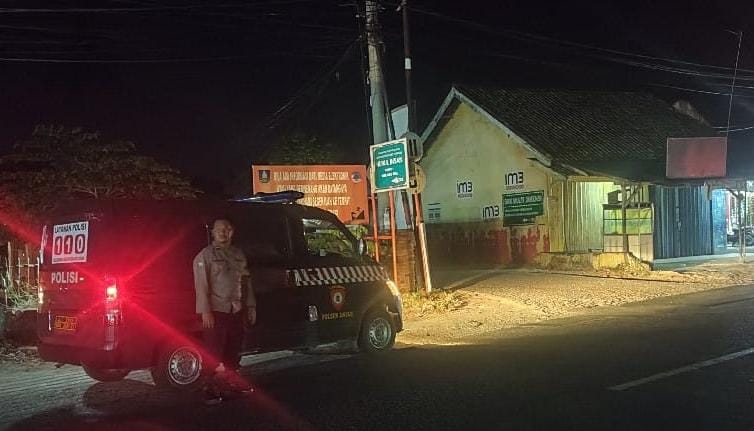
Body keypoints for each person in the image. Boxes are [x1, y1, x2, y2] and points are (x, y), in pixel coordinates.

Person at [193, 218, 256, 404]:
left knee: (233, 350)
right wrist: (205, 311)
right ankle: (209, 389)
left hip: (236, 310)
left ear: (232, 232)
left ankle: (232, 384)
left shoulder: (238, 254)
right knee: (213, 351)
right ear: (212, 232)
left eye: (227, 229)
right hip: (216, 311)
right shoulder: (205, 256)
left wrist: (251, 306)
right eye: (219, 229)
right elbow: (201, 286)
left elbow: (246, 282)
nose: (223, 232)